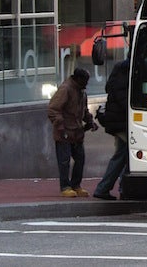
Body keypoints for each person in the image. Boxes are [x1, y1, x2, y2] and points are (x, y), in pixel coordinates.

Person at [47, 67, 98, 198]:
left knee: (80, 159)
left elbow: (83, 110)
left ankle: (76, 185)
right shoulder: (66, 89)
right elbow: (53, 108)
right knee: (64, 161)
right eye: (85, 81)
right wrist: (60, 126)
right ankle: (65, 186)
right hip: (64, 131)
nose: (86, 84)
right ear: (78, 79)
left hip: (76, 132)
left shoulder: (81, 92)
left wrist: (90, 121)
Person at [93, 59, 129, 200]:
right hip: (122, 125)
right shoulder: (122, 84)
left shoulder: (115, 82)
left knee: (122, 155)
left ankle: (112, 187)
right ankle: (108, 188)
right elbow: (126, 103)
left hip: (118, 125)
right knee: (122, 156)